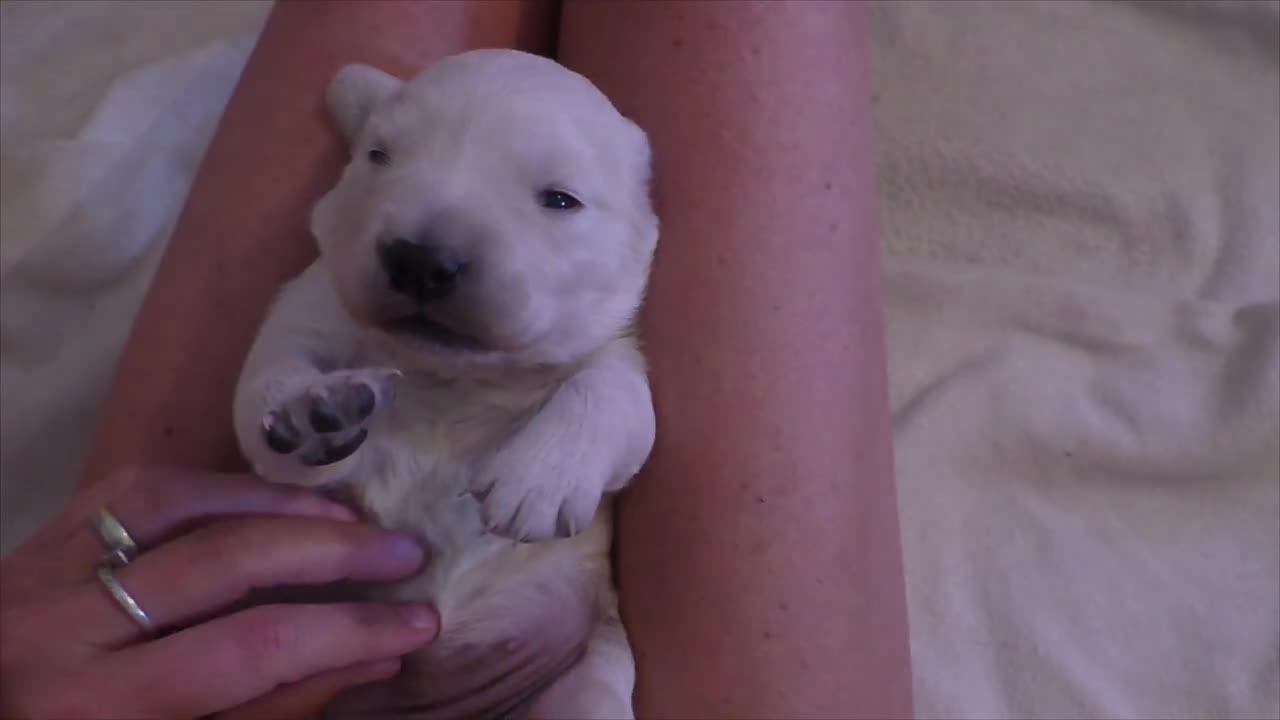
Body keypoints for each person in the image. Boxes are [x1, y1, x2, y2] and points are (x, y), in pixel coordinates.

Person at [4, 1, 913, 718]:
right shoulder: (343, 289)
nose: (432, 250)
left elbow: (610, 399)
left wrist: (295, 414)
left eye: (555, 199)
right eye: (388, 156)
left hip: (445, 660)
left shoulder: (581, 344)